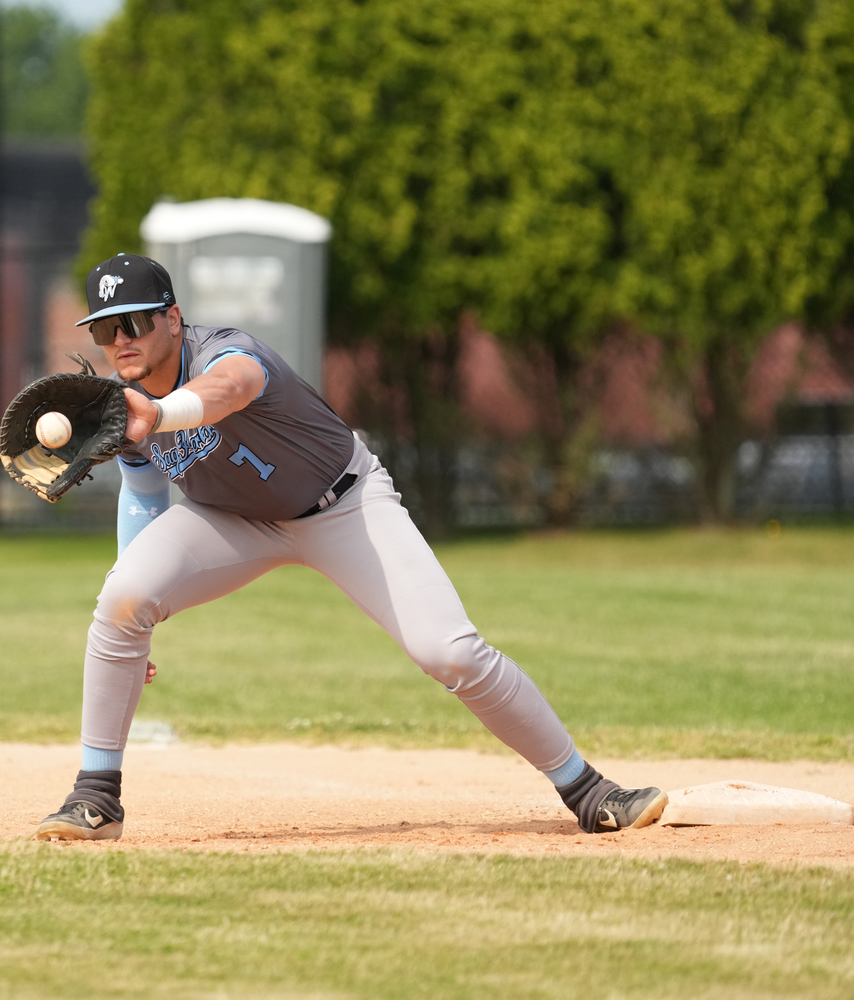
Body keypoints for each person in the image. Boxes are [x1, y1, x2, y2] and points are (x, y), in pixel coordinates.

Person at [33, 253, 667, 840]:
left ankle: (586, 790)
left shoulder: (226, 352)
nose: (120, 340)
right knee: (121, 599)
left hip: (343, 503)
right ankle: (97, 796)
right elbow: (144, 494)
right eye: (104, 329)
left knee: (449, 653)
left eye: (135, 321)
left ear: (172, 317)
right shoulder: (128, 409)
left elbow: (231, 389)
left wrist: (161, 413)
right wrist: (139, 623)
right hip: (230, 519)